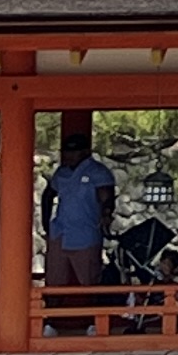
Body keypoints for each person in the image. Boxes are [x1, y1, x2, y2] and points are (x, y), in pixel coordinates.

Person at [43, 130, 117, 324]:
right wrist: (46, 224)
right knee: (53, 282)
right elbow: (48, 195)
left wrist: (106, 215)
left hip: (85, 233)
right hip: (60, 232)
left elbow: (107, 198)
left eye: (72, 151)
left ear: (84, 151)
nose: (67, 155)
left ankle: (95, 322)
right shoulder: (61, 172)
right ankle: (50, 322)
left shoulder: (98, 172)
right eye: (65, 151)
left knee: (91, 282)